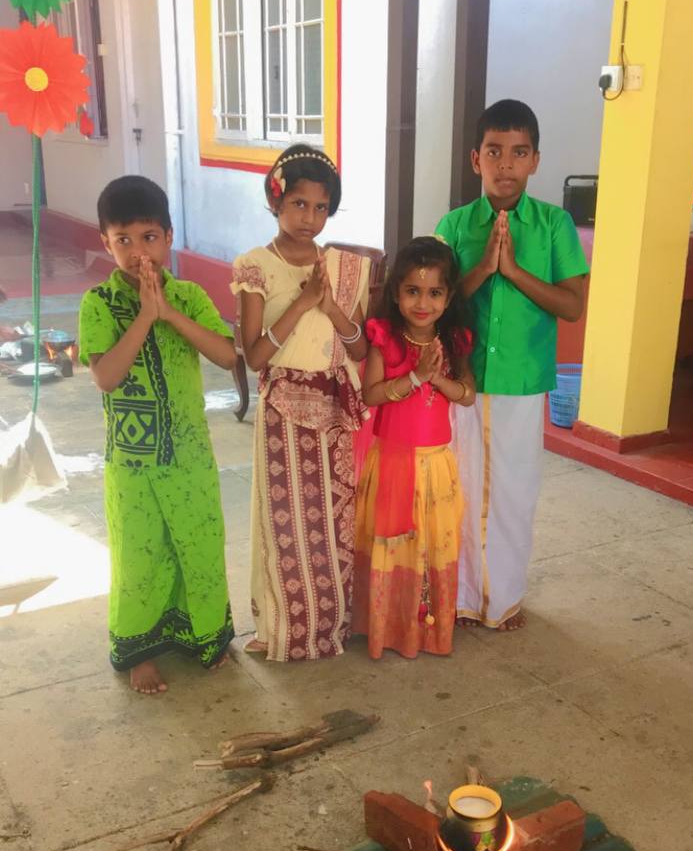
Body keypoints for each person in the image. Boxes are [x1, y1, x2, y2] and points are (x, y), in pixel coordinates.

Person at [78, 176, 236, 694]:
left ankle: (202, 634)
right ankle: (140, 650)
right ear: (106, 242)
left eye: (148, 237)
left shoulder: (188, 295)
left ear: (168, 237)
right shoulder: (98, 303)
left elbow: (227, 354)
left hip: (189, 454)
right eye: (123, 240)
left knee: (198, 544)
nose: (137, 251)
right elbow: (107, 377)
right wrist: (145, 317)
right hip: (133, 462)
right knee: (140, 553)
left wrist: (168, 312)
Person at [436, 99, 588, 631]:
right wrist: (482, 267)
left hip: (522, 382)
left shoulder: (553, 225)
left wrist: (516, 272)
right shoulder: (454, 225)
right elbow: (436, 301)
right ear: (476, 159)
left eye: (518, 153)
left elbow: (572, 305)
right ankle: (458, 596)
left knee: (514, 491)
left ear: (535, 161)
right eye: (495, 152)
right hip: (463, 380)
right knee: (459, 485)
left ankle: (503, 600)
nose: (506, 165)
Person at [233, 143, 370, 662]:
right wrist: (302, 304)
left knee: (332, 526)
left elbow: (358, 348)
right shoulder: (254, 266)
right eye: (297, 204)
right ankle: (282, 629)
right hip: (282, 408)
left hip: (334, 407)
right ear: (276, 201)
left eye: (319, 207)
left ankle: (327, 629)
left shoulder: (343, 268)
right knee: (285, 523)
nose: (308, 218)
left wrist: (331, 306)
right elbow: (255, 355)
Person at [353, 236, 475, 659]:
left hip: (436, 465)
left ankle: (424, 629)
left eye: (435, 292)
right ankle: (387, 628)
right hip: (391, 463)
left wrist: (438, 378)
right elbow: (370, 395)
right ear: (396, 293)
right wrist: (416, 378)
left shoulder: (455, 341)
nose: (423, 302)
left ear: (448, 296)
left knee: (430, 546)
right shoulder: (383, 337)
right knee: (393, 544)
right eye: (412, 291)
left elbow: (467, 395)